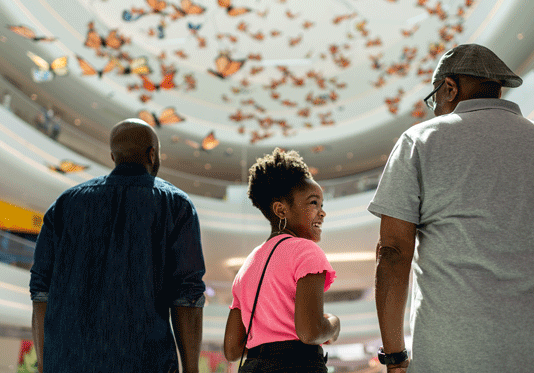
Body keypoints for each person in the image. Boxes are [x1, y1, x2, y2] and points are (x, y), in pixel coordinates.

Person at [368, 43, 534, 372]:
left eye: (435, 99)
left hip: (455, 355)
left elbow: (393, 252)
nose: (435, 110)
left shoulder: (420, 141)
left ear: (449, 88)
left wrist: (395, 356)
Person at [30, 118, 206, 373]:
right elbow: (187, 297)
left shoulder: (65, 205)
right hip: (146, 363)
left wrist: (46, 365)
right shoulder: (176, 205)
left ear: (113, 156)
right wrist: (191, 370)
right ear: (152, 154)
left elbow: (40, 292)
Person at [224, 148, 340, 373]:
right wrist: (334, 325)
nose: (322, 212)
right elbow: (311, 332)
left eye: (322, 204)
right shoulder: (306, 251)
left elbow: (232, 349)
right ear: (281, 210)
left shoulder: (247, 267)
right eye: (314, 203)